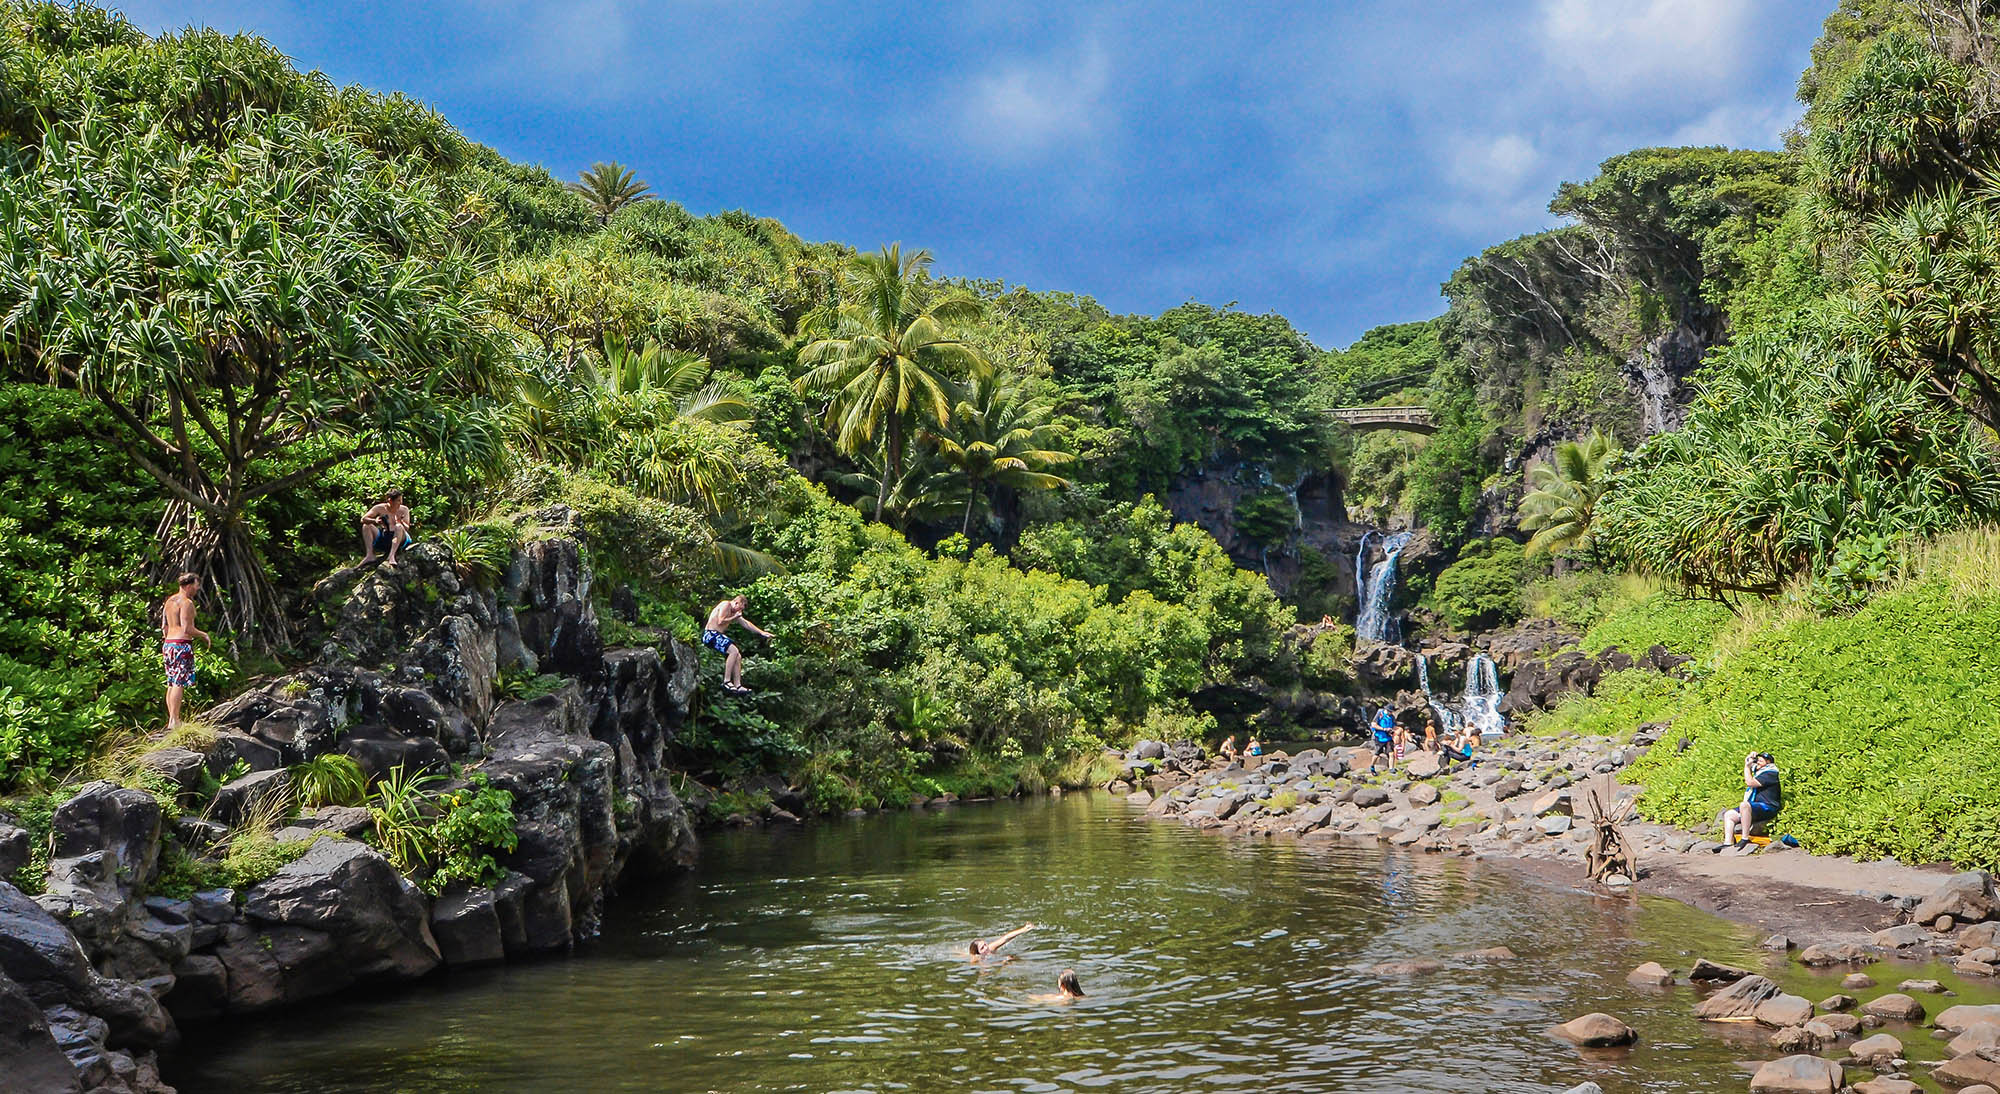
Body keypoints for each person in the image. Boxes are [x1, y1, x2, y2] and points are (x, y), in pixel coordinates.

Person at [160, 573, 211, 730]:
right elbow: (186, 628)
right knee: (179, 682)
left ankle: (172, 720)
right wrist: (204, 635)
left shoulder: (169, 601)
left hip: (168, 643)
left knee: (171, 682)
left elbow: (164, 627)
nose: (198, 588)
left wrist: (167, 641)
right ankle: (175, 721)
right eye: (196, 585)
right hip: (181, 644)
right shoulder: (187, 603)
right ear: (188, 586)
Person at [703, 594, 774, 696]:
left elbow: (746, 623)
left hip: (717, 635)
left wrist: (762, 632)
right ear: (737, 603)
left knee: (738, 656)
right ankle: (727, 681)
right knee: (733, 651)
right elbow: (720, 620)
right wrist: (734, 617)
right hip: (710, 634)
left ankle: (738, 685)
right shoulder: (726, 604)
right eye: (740, 608)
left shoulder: (734, 612)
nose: (739, 611)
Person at [1720, 752, 1782, 845]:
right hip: (1755, 807)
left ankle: (1745, 838)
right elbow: (1751, 764)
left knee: (1744, 805)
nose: (1758, 762)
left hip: (1768, 806)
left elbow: (1750, 782)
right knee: (1729, 815)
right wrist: (1750, 758)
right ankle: (1728, 842)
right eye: (1758, 760)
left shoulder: (1771, 773)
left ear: (1768, 763)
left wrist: (1746, 767)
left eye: (1761, 761)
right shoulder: (1759, 772)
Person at [358, 489, 415, 566]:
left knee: (398, 527)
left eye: (401, 500)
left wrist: (400, 521)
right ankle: (370, 554)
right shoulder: (379, 508)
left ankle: (391, 556)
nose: (400, 503)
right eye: (398, 501)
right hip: (385, 536)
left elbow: (407, 528)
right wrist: (375, 521)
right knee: (366, 525)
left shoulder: (404, 510)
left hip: (401, 538)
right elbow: (363, 519)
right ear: (390, 501)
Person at [968, 923, 1036, 958]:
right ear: (978, 953)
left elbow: (1005, 938)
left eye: (985, 945)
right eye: (982, 948)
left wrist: (1023, 929)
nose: (986, 948)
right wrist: (1003, 961)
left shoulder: (990, 948)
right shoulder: (977, 959)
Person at [1369, 708, 1396, 774]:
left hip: (1388, 738)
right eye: (1390, 711)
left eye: (1392, 712)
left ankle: (1391, 769)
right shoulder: (1380, 714)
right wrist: (1384, 729)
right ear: (1386, 710)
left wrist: (1392, 730)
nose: (1391, 713)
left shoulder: (1392, 717)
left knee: (1391, 753)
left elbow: (1394, 726)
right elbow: (1373, 724)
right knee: (1377, 754)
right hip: (1379, 737)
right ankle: (1372, 766)